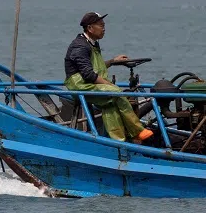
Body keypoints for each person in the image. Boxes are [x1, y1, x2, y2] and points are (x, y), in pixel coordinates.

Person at [64, 12, 153, 143]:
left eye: (104, 25)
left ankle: (118, 140)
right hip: (79, 85)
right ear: (90, 28)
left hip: (88, 83)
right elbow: (88, 74)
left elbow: (95, 67)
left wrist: (113, 61)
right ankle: (137, 130)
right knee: (115, 93)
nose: (104, 28)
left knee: (110, 103)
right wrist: (109, 85)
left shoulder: (93, 43)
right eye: (101, 25)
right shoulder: (80, 46)